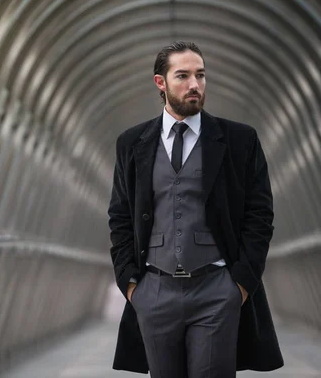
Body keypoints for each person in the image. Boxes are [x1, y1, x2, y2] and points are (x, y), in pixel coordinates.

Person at [107, 41, 284, 377]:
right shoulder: (132, 143)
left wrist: (241, 285)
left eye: (200, 76)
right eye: (183, 76)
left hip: (217, 289)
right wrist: (131, 286)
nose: (195, 85)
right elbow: (119, 215)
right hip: (155, 290)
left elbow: (260, 215)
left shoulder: (239, 140)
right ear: (161, 83)